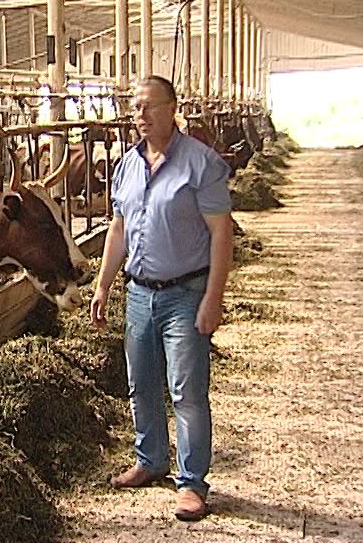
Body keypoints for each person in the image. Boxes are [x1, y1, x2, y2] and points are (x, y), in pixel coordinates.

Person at [90, 75, 233, 521]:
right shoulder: (127, 166)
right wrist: (102, 283)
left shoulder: (201, 163)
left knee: (187, 391)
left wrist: (214, 297)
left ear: (173, 108)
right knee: (141, 385)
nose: (142, 116)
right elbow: (119, 229)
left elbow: (221, 232)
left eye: (150, 107)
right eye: (136, 108)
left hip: (186, 293)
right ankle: (150, 461)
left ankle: (191, 484)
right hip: (139, 293)